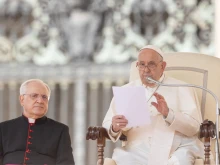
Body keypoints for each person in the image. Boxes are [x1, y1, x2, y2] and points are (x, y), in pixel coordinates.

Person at [102, 45, 204, 165]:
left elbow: (194, 127)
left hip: (175, 148)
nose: (146, 70)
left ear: (162, 66)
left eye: (151, 64)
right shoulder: (127, 90)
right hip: (137, 150)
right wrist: (115, 127)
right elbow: (108, 124)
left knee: (182, 159)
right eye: (141, 64)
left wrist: (168, 114)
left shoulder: (181, 88)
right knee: (124, 159)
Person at [0, 79, 75, 165]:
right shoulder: (3, 128)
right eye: (34, 95)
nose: (40, 101)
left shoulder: (60, 130)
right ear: (22, 99)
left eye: (44, 97)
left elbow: (66, 162)